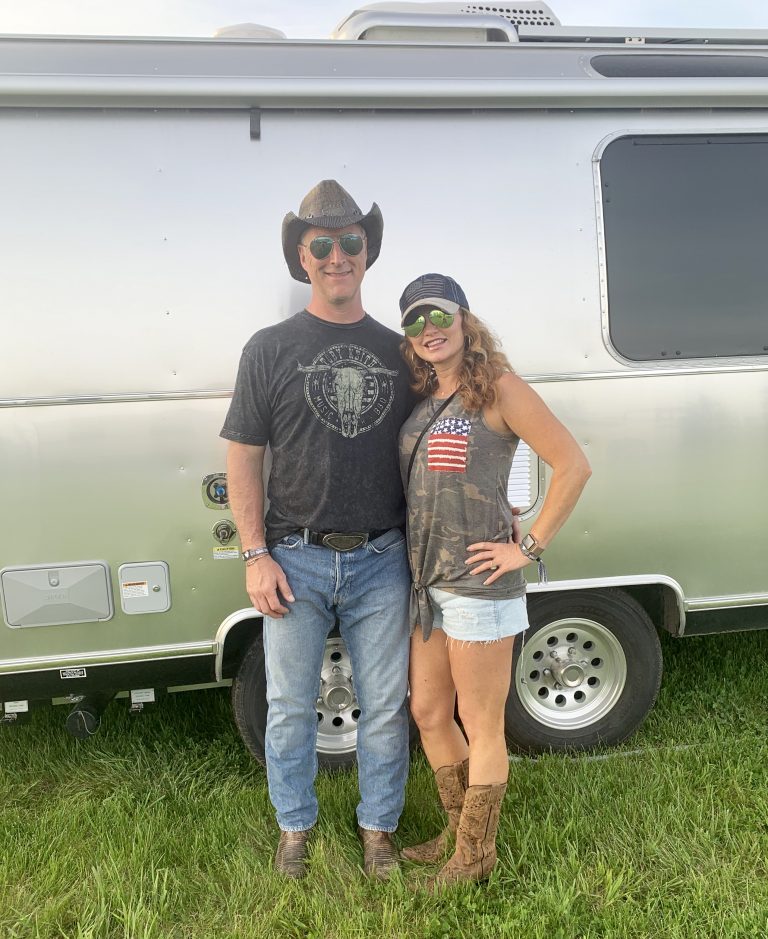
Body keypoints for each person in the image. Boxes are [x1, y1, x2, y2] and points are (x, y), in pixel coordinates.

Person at [220, 180, 415, 881]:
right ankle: (294, 827)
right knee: (288, 707)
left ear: (367, 251)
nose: (339, 255)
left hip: (383, 556)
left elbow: (440, 436)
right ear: (303, 257)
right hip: (294, 557)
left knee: (386, 707)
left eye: (351, 241)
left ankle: (378, 830)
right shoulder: (268, 348)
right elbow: (243, 455)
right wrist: (255, 554)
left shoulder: (400, 352)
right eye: (323, 244)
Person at [397, 273, 591, 887]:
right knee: (429, 712)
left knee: (481, 724)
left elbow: (573, 465)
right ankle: (459, 832)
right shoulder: (425, 397)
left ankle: (476, 856)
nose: (428, 329)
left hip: (478, 585)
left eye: (438, 315)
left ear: (464, 319)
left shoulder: (501, 388)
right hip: (427, 583)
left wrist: (526, 547)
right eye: (414, 321)